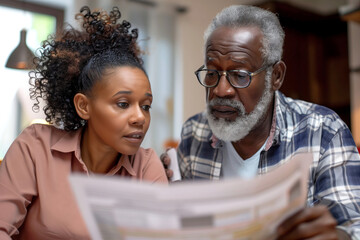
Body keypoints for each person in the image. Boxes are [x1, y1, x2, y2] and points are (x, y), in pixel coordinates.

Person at [162, 4, 360, 240]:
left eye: (240, 75)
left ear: (275, 76)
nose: (221, 90)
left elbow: (354, 227)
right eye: (212, 73)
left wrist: (337, 236)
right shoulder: (194, 133)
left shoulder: (324, 131)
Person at [0, 6, 167, 240]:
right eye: (122, 103)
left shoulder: (147, 168)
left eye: (146, 106)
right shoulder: (35, 147)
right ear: (83, 106)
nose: (139, 117)